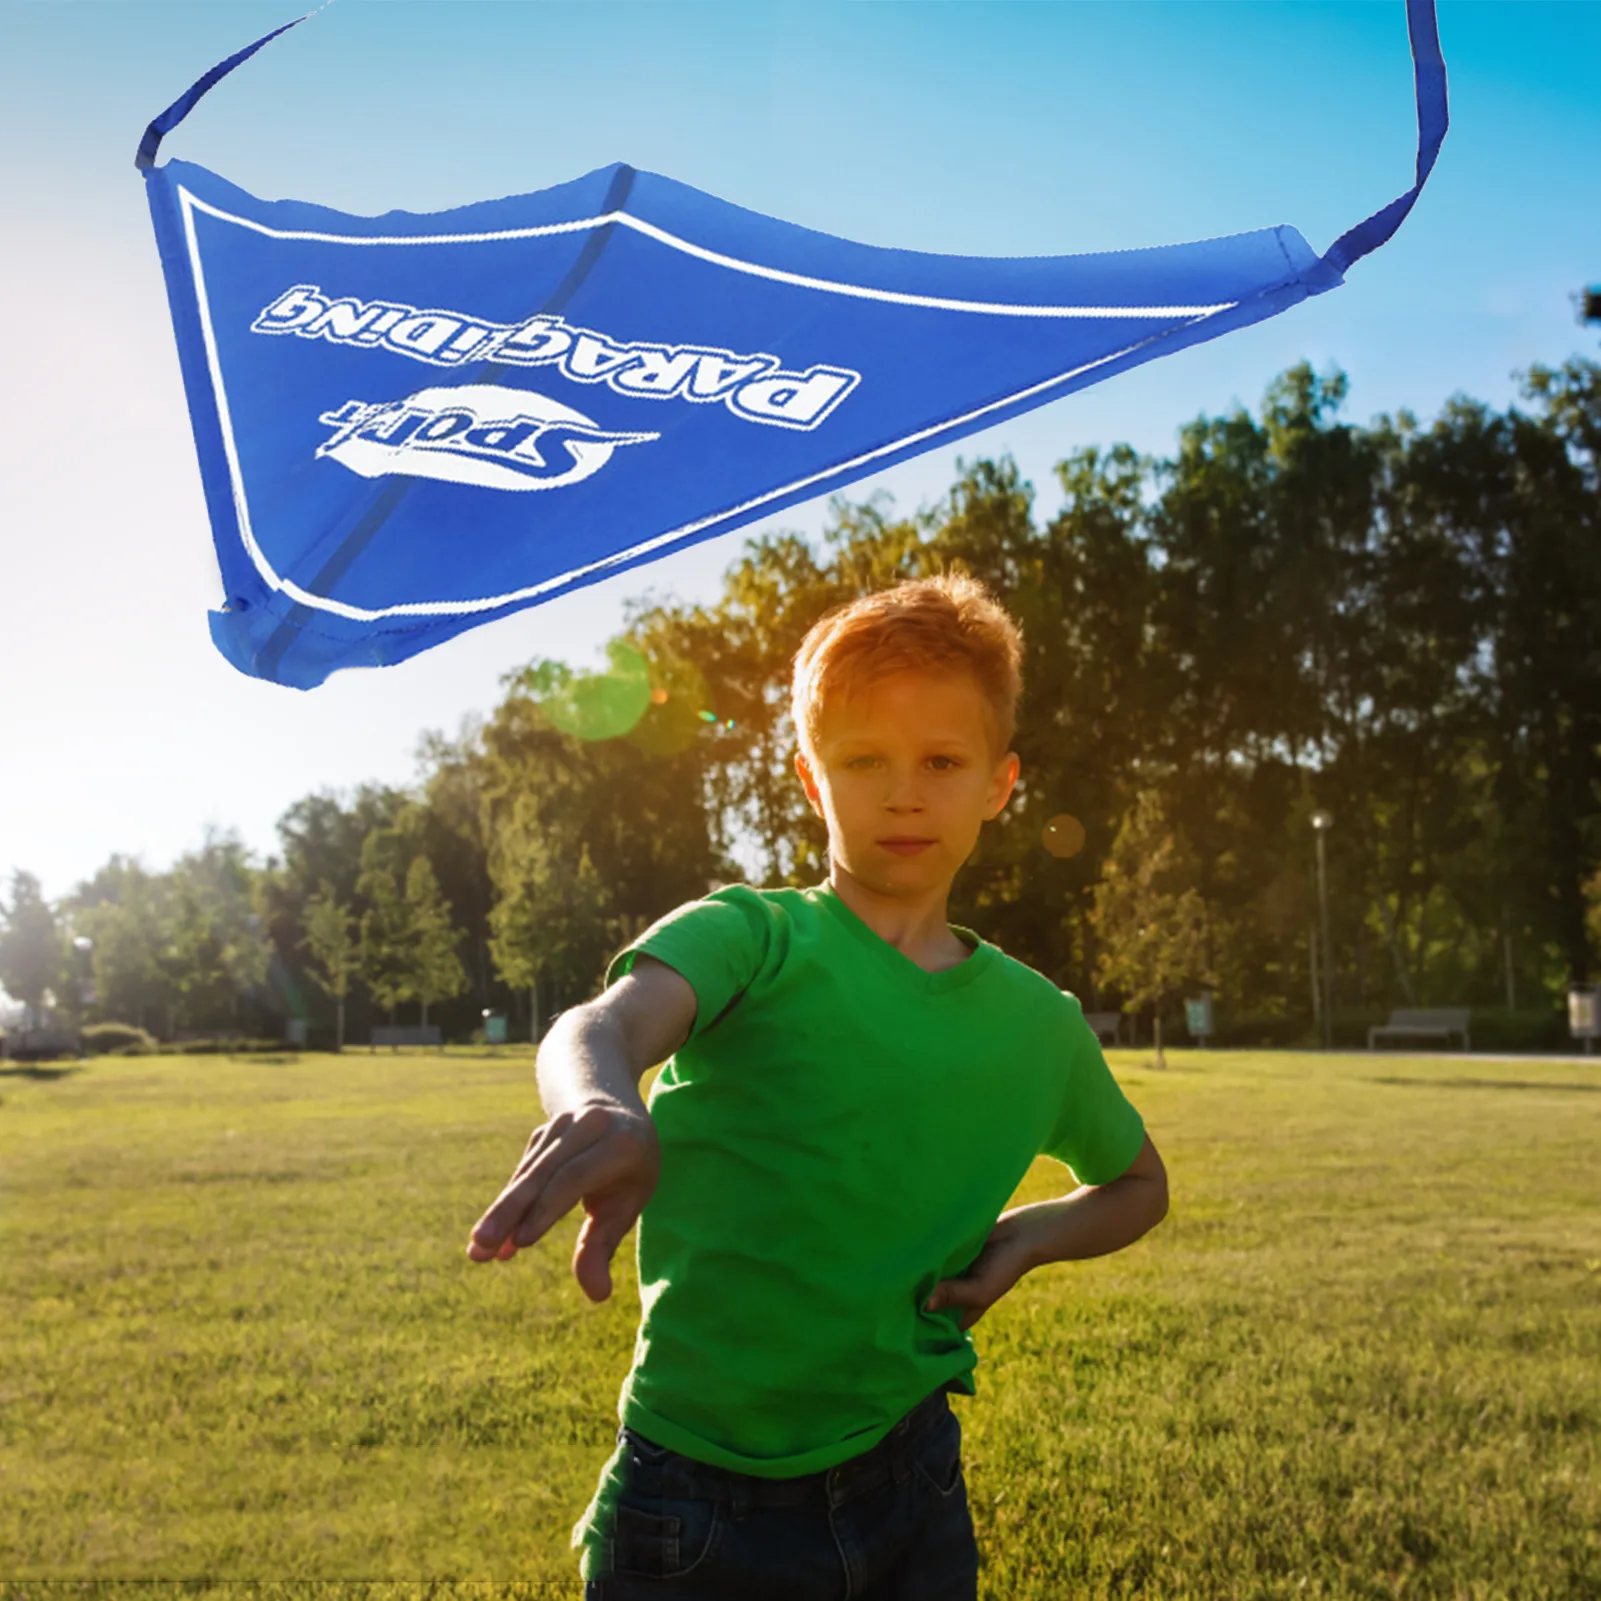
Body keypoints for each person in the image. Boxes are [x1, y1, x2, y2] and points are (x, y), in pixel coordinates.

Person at [466, 574, 1170, 1599]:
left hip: (912, 1480)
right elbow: (604, 1024)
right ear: (809, 777)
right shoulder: (752, 938)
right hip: (695, 1501)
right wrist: (601, 1100)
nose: (902, 792)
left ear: (999, 781)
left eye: (940, 761)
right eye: (862, 761)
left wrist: (1025, 1238)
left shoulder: (1038, 1022)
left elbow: (1136, 1181)